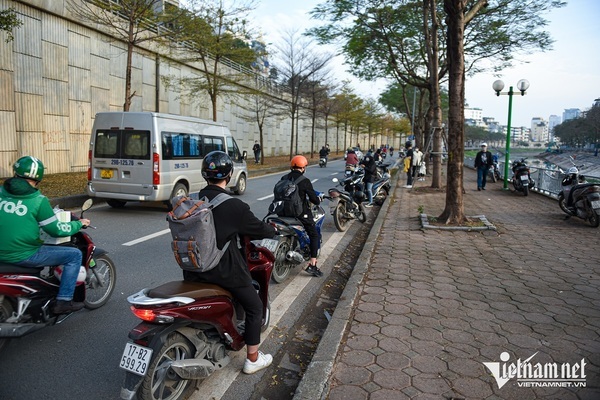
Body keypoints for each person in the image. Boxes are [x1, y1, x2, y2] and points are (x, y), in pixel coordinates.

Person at [183, 151, 276, 374]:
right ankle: (253, 358)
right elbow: (260, 229)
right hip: (224, 272)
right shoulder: (235, 207)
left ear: (205, 174)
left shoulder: (191, 201)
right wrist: (273, 230)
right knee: (254, 307)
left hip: (192, 270)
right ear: (230, 174)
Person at [0, 156, 91, 314]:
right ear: (38, 179)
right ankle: (64, 301)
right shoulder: (38, 200)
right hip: (23, 254)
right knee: (74, 255)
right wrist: (78, 224)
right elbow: (55, 229)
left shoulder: (1, 193)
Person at [280, 155, 323, 277]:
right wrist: (318, 199)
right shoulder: (305, 181)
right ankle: (313, 264)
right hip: (299, 214)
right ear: (303, 167)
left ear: (291, 166)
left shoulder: (284, 178)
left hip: (282, 212)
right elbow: (315, 200)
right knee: (314, 234)